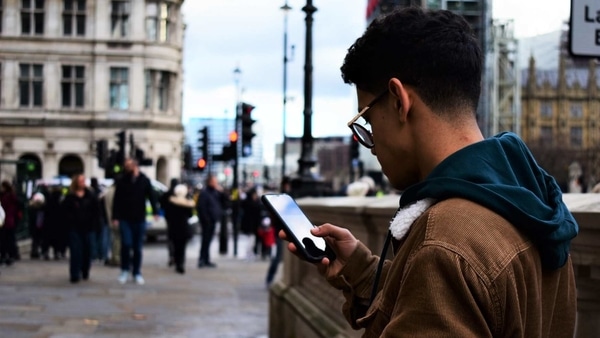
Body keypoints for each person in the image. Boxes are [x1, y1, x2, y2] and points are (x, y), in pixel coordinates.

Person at [281, 8, 578, 337]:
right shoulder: (534, 203)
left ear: (398, 101)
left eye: (366, 121)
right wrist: (363, 271)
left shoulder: (445, 244)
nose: (373, 144)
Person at [112, 158, 159, 285]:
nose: (127, 168)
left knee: (138, 247)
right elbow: (117, 199)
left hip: (139, 218)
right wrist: (115, 217)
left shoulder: (144, 180)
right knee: (126, 244)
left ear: (135, 166)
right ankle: (125, 270)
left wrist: (155, 211)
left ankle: (137, 272)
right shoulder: (122, 180)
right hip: (125, 218)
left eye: (129, 165)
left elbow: (152, 196)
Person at [62, 174, 100, 283]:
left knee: (87, 250)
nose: (83, 183)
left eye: (84, 181)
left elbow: (96, 211)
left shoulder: (91, 196)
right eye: (80, 181)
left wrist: (96, 225)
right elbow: (65, 211)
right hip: (74, 227)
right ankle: (74, 273)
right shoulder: (70, 197)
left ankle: (85, 270)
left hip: (88, 227)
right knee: (75, 251)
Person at [265, 176, 291, 287]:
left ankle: (271, 278)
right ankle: (270, 278)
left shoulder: (284, 197)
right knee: (279, 257)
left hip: (282, 231)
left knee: (280, 257)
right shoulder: (284, 198)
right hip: (282, 232)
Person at [166, 183, 195, 274]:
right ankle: (180, 264)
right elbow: (190, 215)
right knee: (182, 248)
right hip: (183, 228)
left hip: (174, 227)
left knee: (175, 246)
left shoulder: (171, 202)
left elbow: (167, 215)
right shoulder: (187, 203)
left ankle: (176, 261)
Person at [196, 174, 223, 268]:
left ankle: (206, 259)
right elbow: (201, 207)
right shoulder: (205, 193)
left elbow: (224, 201)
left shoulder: (215, 192)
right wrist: (206, 219)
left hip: (213, 220)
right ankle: (202, 259)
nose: (216, 183)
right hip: (207, 221)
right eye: (215, 182)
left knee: (208, 241)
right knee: (205, 240)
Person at [160, 178, 179, 267]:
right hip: (178, 220)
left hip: (169, 219)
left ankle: (172, 256)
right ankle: (176, 256)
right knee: (177, 239)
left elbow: (162, 204)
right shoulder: (179, 194)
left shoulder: (167, 194)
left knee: (171, 238)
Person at [0, 181, 19, 266]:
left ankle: (7, 256)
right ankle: (9, 256)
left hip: (6, 221)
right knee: (8, 240)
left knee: (6, 240)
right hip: (8, 221)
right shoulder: (10, 196)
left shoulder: (8, 197)